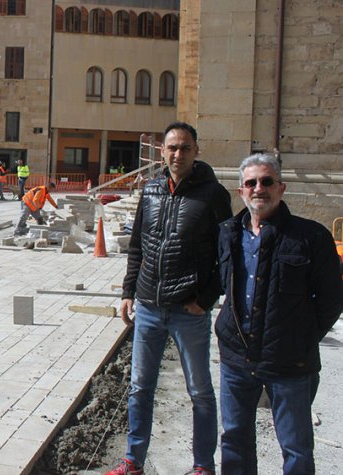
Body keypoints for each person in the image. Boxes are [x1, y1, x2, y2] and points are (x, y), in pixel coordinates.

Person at [109, 122, 232, 475]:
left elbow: (227, 254)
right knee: (140, 388)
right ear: (162, 152)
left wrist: (207, 298)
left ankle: (203, 466)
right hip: (148, 306)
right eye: (172, 148)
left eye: (185, 148)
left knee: (200, 392)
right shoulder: (149, 190)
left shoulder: (213, 195)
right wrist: (128, 292)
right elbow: (137, 247)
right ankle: (133, 462)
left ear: (196, 151)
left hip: (188, 310)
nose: (178, 154)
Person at [216, 153, 342, 474]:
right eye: (251, 183)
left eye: (267, 181)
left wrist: (301, 338)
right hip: (236, 360)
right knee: (234, 441)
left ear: (281, 188)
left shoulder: (310, 237)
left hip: (290, 363)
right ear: (241, 191)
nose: (260, 188)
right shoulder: (228, 233)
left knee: (296, 447)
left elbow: (331, 299)